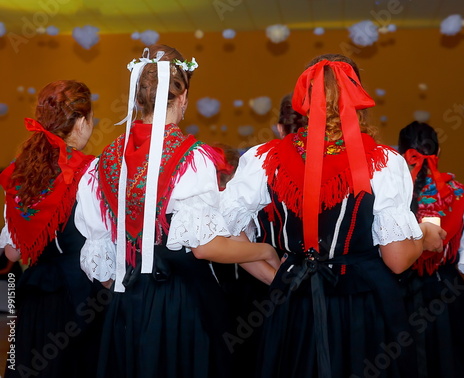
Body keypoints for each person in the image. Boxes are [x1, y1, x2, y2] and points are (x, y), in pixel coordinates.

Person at [220, 54, 446, 378]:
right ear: (357, 98)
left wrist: (275, 273)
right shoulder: (383, 162)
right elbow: (396, 259)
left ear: (306, 98)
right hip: (361, 307)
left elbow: (223, 232)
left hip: (294, 305)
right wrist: (423, 235)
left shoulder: (266, 158)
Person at [74, 44, 279, 378]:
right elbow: (206, 248)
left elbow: (102, 262)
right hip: (182, 304)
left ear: (138, 99)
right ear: (182, 98)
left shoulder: (101, 164)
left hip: (127, 303)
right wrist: (266, 248)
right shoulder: (192, 158)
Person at [0, 80, 107, 378]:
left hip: (37, 299)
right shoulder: (91, 172)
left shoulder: (21, 174)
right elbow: (102, 246)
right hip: (82, 297)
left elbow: (12, 250)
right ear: (82, 122)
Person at [398, 121, 464, 378]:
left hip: (402, 291)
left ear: (401, 154)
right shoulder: (461, 194)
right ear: (438, 153)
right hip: (446, 294)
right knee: (451, 363)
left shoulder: (392, 196)